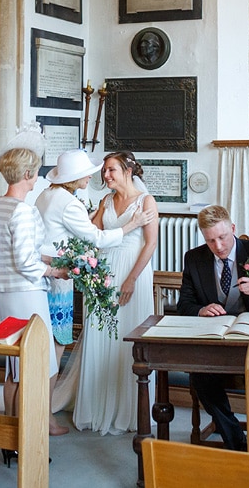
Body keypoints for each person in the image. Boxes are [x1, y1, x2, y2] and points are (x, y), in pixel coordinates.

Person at [176, 205, 249, 451]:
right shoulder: (194, 258)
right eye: (210, 241)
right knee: (199, 373)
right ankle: (236, 440)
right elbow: (184, 304)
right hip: (217, 340)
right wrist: (201, 310)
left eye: (222, 237)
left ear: (232, 229)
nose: (218, 246)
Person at [35, 149, 146, 403]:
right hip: (56, 277)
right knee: (57, 344)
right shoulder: (68, 202)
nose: (92, 178)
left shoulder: (46, 194)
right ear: (75, 177)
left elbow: (67, 227)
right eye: (87, 174)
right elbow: (95, 237)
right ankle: (44, 412)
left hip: (42, 274)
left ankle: (37, 408)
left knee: (46, 342)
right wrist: (131, 225)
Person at [73, 151, 158, 435]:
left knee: (128, 338)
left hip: (133, 270)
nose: (106, 176)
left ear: (128, 170)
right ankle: (98, 407)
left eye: (111, 170)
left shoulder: (147, 202)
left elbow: (150, 244)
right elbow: (91, 236)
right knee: (100, 335)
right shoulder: (105, 201)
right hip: (105, 272)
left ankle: (132, 410)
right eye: (104, 171)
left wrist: (132, 279)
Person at [0, 142, 68, 438]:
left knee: (14, 364)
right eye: (35, 171)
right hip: (26, 292)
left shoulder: (0, 205)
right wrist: (54, 271)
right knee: (37, 361)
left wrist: (50, 257)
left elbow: (18, 252)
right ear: (26, 173)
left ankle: (10, 430)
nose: (38, 176)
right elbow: (24, 261)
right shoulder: (22, 210)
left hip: (6, 291)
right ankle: (29, 432)